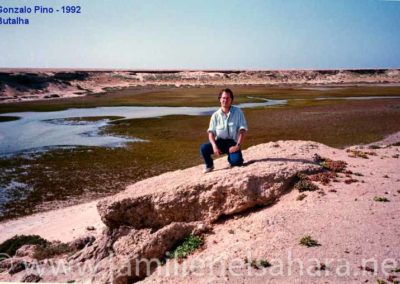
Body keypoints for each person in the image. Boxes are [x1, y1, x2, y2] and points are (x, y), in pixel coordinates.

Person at [200, 88, 248, 173]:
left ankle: (232, 158)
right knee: (204, 148)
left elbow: (242, 131)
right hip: (219, 142)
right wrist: (214, 146)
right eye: (223, 98)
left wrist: (237, 146)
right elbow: (211, 133)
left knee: (237, 162)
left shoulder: (238, 112)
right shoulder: (215, 115)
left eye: (227, 98)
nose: (225, 100)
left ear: (231, 100)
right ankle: (209, 165)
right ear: (220, 99)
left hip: (232, 143)